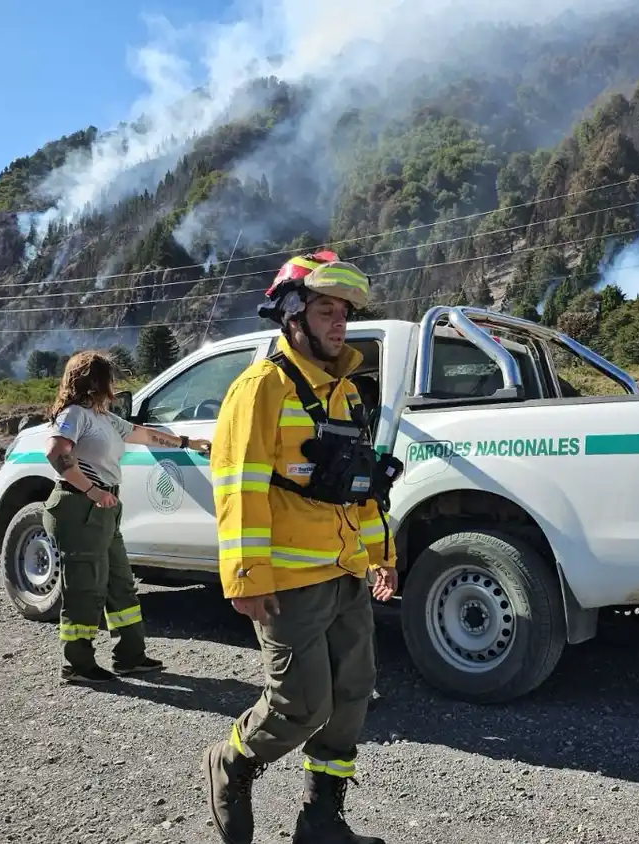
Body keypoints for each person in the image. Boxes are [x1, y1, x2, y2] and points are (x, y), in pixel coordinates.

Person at [201, 250, 400, 844]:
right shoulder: (260, 387)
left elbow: (361, 488)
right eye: (324, 310)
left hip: (345, 573)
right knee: (300, 705)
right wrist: (245, 576)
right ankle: (232, 763)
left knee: (352, 696)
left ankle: (321, 820)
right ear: (292, 316)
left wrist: (381, 556)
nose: (339, 322)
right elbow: (238, 485)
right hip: (289, 581)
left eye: (343, 311)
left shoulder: (347, 392)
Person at [42, 349, 211, 685]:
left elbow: (142, 434)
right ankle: (77, 664)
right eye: (109, 378)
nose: (114, 385)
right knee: (86, 588)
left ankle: (130, 657)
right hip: (81, 507)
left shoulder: (104, 418)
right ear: (96, 381)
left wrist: (188, 442)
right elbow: (56, 452)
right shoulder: (74, 415)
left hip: (104, 509)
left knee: (120, 584)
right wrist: (93, 491)